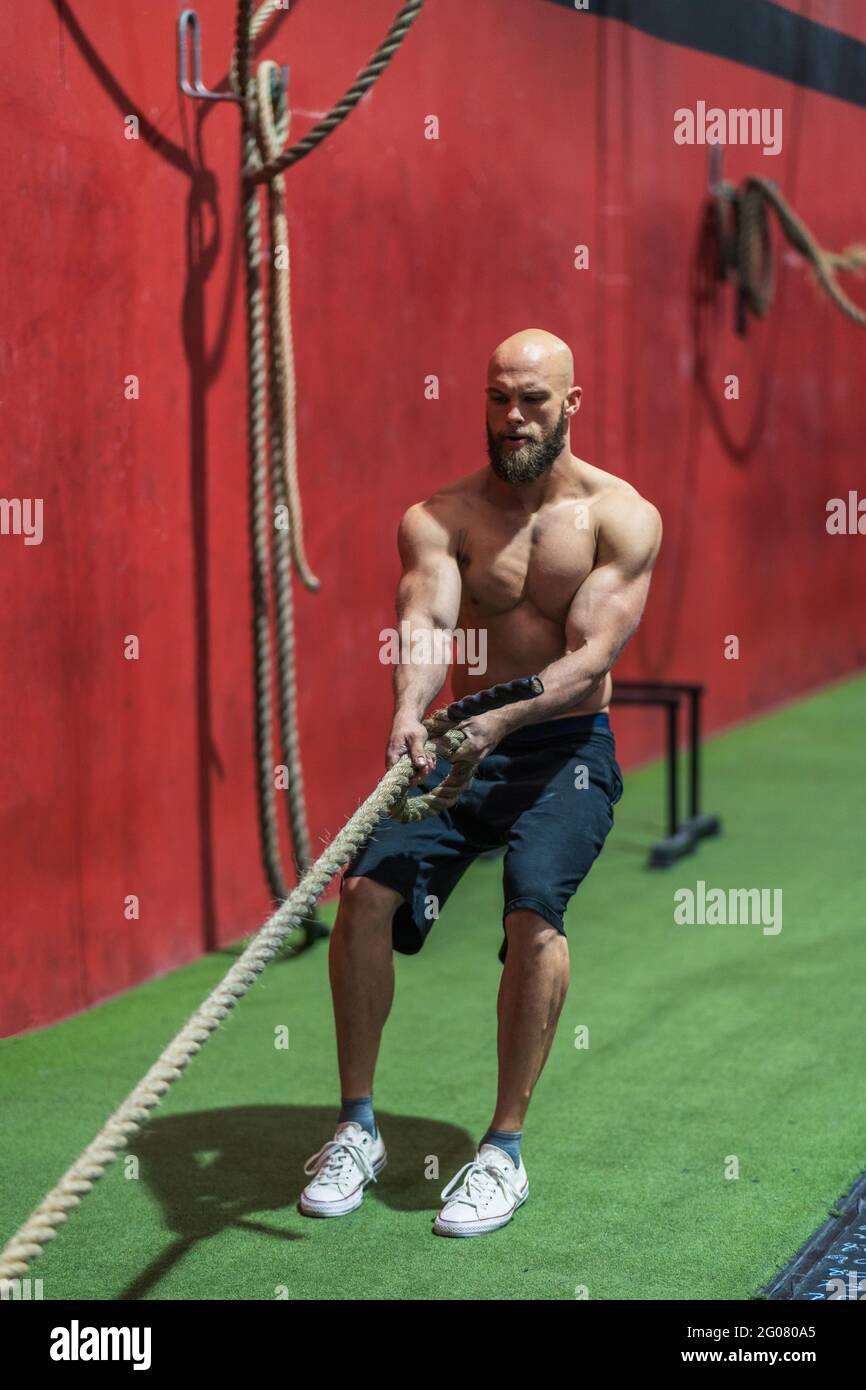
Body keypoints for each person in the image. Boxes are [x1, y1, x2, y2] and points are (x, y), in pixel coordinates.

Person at [299, 328, 662, 1236]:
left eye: (533, 399)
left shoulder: (623, 518)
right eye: (499, 397)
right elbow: (425, 627)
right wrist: (409, 712)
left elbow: (590, 661)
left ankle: (502, 1151)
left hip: (565, 744)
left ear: (571, 404)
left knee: (533, 913)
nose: (513, 416)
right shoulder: (441, 517)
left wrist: (500, 717)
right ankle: (356, 1128)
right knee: (366, 894)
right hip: (461, 742)